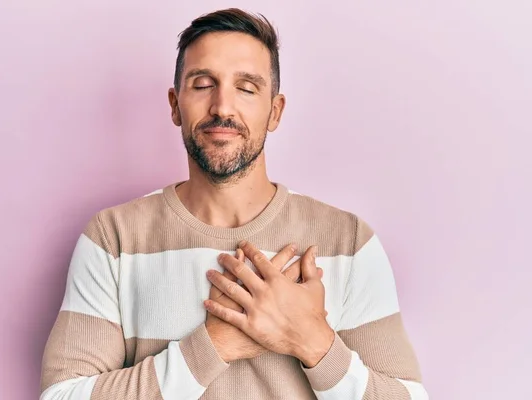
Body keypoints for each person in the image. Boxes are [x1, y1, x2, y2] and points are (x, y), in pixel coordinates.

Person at [39, 8, 428, 400]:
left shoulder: (348, 241)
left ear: (274, 111)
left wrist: (312, 341)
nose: (223, 107)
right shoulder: (114, 238)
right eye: (203, 84)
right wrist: (215, 345)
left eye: (246, 88)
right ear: (175, 105)